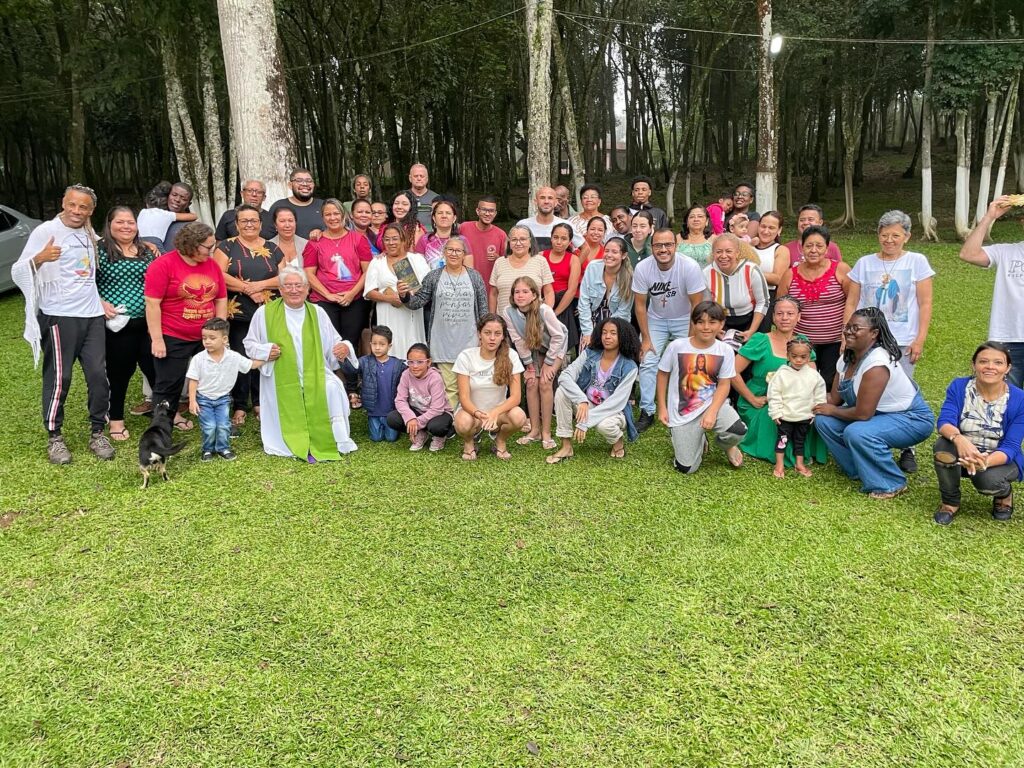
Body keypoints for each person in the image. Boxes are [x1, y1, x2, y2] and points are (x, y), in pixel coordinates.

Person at [11, 183, 115, 464]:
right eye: (72, 204)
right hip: (59, 316)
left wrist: (100, 301)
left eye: (83, 207)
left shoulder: (88, 234)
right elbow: (18, 270)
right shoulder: (46, 231)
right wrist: (40, 259)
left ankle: (97, 432)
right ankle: (55, 437)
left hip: (91, 316)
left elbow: (90, 273)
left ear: (91, 210)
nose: (76, 211)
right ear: (63, 203)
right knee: (60, 377)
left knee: (97, 375)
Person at [845, 210, 934, 473]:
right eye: (885, 235)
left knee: (899, 392)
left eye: (896, 235)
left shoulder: (917, 262)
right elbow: (852, 301)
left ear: (907, 236)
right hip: (866, 338)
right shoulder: (864, 263)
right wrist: (846, 333)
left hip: (902, 339)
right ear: (878, 235)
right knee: (866, 388)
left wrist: (919, 339)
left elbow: (925, 302)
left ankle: (907, 447)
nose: (890, 240)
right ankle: (869, 439)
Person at [812, 308, 934, 499]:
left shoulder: (877, 363)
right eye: (847, 327)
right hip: (876, 416)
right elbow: (834, 400)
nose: (849, 332)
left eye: (856, 328)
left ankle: (891, 483)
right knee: (823, 421)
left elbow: (862, 415)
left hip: (911, 419)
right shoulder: (845, 360)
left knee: (858, 431)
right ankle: (860, 469)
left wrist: (833, 410)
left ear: (874, 334)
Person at [244, 266, 358, 459]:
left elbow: (333, 344)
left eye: (299, 285)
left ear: (307, 289)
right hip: (282, 375)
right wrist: (266, 351)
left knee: (332, 387)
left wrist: (344, 347)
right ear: (280, 289)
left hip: (315, 371)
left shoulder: (317, 312)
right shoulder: (264, 313)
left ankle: (335, 438)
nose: (294, 290)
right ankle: (291, 439)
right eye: (288, 285)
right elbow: (249, 344)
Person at [212, 203, 287, 432]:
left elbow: (284, 277)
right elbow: (218, 274)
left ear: (261, 223)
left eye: (253, 220)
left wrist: (258, 286)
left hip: (268, 312)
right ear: (236, 224)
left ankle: (260, 402)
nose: (249, 224)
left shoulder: (273, 249)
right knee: (240, 356)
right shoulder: (226, 246)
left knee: (264, 355)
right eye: (244, 221)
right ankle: (240, 404)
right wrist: (247, 290)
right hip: (238, 312)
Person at [144, 222, 228, 426]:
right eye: (208, 247)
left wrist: (221, 334)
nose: (211, 251)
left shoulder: (211, 264)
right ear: (191, 244)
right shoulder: (163, 264)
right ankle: (161, 429)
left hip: (207, 335)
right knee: (169, 385)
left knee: (213, 380)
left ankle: (215, 424)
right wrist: (157, 340)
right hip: (173, 335)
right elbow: (152, 304)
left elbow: (221, 299)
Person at [731, 296, 829, 468]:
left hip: (795, 398)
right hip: (762, 397)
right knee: (777, 419)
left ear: (799, 316)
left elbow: (812, 379)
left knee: (805, 417)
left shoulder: (802, 343)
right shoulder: (761, 339)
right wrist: (752, 399)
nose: (785, 318)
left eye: (790, 313)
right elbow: (731, 372)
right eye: (780, 313)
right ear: (773, 317)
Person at [932, 341, 1024, 525]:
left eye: (998, 363)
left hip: (998, 458)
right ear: (974, 365)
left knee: (986, 481)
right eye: (983, 361)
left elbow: (1011, 447)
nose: (990, 367)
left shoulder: (1020, 399)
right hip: (963, 452)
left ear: (1008, 368)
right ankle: (949, 502)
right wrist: (960, 440)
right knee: (943, 446)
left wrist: (984, 462)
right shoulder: (959, 387)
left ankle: (1004, 495)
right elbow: (944, 421)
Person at [657, 301, 746, 473]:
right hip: (683, 412)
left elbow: (724, 384)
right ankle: (698, 438)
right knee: (686, 468)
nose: (706, 327)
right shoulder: (677, 346)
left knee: (737, 431)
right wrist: (662, 407)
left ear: (721, 324)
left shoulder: (725, 350)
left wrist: (712, 412)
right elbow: (662, 374)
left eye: (712, 322)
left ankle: (727, 446)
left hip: (712, 405)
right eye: (700, 322)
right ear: (693, 323)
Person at [95, 206, 160, 442]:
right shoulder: (98, 251)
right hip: (117, 325)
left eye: (130, 222)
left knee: (154, 368)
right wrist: (99, 301)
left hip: (148, 322)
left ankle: (165, 417)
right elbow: (85, 282)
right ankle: (116, 419)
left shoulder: (146, 250)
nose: (126, 226)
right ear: (109, 224)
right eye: (120, 222)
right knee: (119, 373)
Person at [633, 228, 707, 432]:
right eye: (658, 245)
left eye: (668, 244)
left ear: (676, 246)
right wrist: (646, 338)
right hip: (655, 319)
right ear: (652, 247)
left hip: (685, 318)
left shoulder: (689, 267)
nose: (663, 249)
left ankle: (688, 407)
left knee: (689, 361)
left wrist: (692, 338)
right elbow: (640, 305)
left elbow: (696, 306)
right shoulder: (643, 268)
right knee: (647, 361)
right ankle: (647, 410)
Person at [401, 237, 489, 407]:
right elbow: (417, 302)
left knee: (470, 384)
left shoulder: (474, 277)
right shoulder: (433, 277)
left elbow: (483, 309)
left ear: (464, 254)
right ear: (444, 252)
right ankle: (454, 422)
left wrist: (483, 336)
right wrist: (404, 295)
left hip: (469, 340)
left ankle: (471, 420)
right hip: (442, 341)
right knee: (449, 387)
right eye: (450, 250)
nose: (454, 254)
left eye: (458, 251)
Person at [547, 317, 640, 463]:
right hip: (587, 404)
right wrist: (582, 399)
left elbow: (617, 403)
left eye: (613, 333)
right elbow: (564, 376)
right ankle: (566, 446)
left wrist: (585, 422)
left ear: (623, 336)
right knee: (562, 392)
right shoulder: (589, 354)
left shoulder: (630, 367)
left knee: (605, 426)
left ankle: (618, 440)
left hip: (614, 411)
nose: (607, 336)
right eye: (604, 332)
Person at [958, 195, 1024, 388]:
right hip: (1007, 339)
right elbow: (968, 254)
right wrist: (989, 216)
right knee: (1003, 399)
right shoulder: (1006, 252)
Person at [777, 225, 850, 389]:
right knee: (803, 383)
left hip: (836, 340)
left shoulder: (841, 269)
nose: (814, 250)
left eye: (819, 246)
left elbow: (853, 301)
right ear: (802, 248)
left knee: (830, 383)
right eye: (809, 246)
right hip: (801, 342)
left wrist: (847, 333)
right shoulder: (790, 274)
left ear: (827, 248)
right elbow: (781, 305)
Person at [186, 318, 266, 461]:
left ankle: (223, 448)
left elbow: (251, 365)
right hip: (204, 399)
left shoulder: (233, 357)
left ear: (224, 339)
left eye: (212, 338)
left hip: (223, 399)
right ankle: (207, 449)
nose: (207, 341)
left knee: (223, 425)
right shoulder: (199, 359)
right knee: (209, 426)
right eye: (204, 338)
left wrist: (268, 358)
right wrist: (192, 401)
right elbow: (193, 380)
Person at [303, 198, 373, 358]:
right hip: (324, 300)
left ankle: (351, 381)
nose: (333, 218)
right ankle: (331, 380)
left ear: (344, 215)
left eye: (336, 213)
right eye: (328, 214)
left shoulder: (358, 239)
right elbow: (309, 274)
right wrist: (328, 295)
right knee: (328, 344)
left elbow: (367, 271)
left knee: (350, 343)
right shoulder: (315, 243)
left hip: (353, 300)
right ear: (322, 218)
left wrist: (351, 293)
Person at [504, 276, 568, 450]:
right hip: (533, 348)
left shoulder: (544, 310)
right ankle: (534, 430)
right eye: (517, 292)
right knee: (531, 383)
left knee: (545, 383)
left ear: (534, 295)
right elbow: (518, 339)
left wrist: (549, 362)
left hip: (555, 347)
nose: (520, 295)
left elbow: (558, 336)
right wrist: (529, 366)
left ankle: (546, 433)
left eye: (525, 291)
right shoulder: (508, 312)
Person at [452, 314, 528, 461]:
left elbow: (516, 397)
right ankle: (469, 442)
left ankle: (500, 440)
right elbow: (464, 398)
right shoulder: (466, 356)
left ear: (502, 336)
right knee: (462, 422)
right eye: (487, 333)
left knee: (519, 416)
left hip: (499, 414)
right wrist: (479, 414)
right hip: (473, 413)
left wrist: (495, 412)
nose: (492, 338)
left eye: (497, 333)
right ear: (479, 334)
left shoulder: (510, 355)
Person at [364, 222, 430, 359]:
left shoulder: (416, 259)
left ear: (403, 239)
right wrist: (390, 298)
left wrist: (406, 296)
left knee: (412, 348)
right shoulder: (377, 262)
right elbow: (369, 291)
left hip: (411, 315)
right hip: (388, 315)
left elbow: (427, 288)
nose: (391, 243)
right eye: (387, 239)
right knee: (390, 349)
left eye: (395, 239)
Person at [766, 337, 827, 478]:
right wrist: (775, 413)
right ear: (788, 355)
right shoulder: (781, 374)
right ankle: (779, 464)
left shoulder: (814, 376)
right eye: (794, 356)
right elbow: (774, 394)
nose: (798, 360)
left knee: (800, 440)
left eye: (803, 357)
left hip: (804, 416)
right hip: (785, 416)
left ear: (809, 357)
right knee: (782, 440)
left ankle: (799, 463)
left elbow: (819, 395)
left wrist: (815, 413)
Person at [385, 342, 455, 452]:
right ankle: (421, 433)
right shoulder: (406, 374)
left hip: (440, 413)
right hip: (418, 411)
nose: (415, 366)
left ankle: (440, 436)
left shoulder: (435, 378)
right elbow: (400, 400)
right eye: (411, 362)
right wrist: (410, 418)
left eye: (420, 362)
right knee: (392, 418)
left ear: (429, 362)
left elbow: (437, 409)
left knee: (437, 427)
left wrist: (416, 423)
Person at [341, 325, 404, 442]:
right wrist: (343, 359)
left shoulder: (397, 364)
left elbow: (410, 376)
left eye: (381, 344)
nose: (377, 347)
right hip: (373, 411)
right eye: (374, 344)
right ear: (370, 344)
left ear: (389, 346)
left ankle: (396, 426)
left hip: (391, 411)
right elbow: (352, 369)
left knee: (391, 438)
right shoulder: (365, 361)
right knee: (376, 438)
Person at [704, 233, 769, 341]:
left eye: (728, 251)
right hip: (720, 322)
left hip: (751, 320)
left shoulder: (752, 270)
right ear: (713, 253)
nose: (723, 256)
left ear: (737, 253)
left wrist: (752, 331)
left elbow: (763, 301)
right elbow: (706, 305)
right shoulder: (706, 273)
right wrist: (715, 328)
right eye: (719, 252)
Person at [578, 237, 634, 349]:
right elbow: (584, 302)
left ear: (623, 255)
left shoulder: (630, 277)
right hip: (592, 319)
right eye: (606, 250)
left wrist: (605, 333)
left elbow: (623, 312)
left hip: (617, 323)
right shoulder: (592, 267)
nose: (609, 255)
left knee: (611, 355)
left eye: (614, 252)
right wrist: (588, 332)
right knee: (587, 354)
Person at [489, 225, 555, 315]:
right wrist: (492, 318)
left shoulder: (540, 261)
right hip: (503, 322)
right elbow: (493, 294)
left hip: (534, 321)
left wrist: (546, 314)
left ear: (530, 242)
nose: (518, 243)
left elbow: (548, 292)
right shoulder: (499, 262)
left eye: (523, 239)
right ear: (509, 243)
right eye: (514, 240)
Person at [543, 222, 583, 351]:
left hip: (564, 303)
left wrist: (555, 313)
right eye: (556, 237)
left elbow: (571, 290)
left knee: (562, 343)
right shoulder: (541, 256)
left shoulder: (573, 259)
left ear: (570, 241)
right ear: (551, 238)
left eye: (564, 238)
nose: (559, 242)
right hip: (544, 302)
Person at [458, 195, 506, 289]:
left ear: (495, 213)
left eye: (491, 211)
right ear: (477, 211)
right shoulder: (464, 228)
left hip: (489, 286)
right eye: (484, 210)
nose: (488, 214)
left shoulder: (501, 235)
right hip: (464, 285)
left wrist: (498, 258)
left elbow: (507, 263)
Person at [516, 186, 583, 251]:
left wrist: (575, 262)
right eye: (542, 198)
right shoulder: (523, 225)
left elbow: (585, 248)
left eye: (550, 198)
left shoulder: (565, 225)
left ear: (555, 202)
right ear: (535, 201)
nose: (546, 201)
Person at [138, 181, 196, 251]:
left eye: (183, 199)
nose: (177, 200)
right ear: (168, 195)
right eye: (174, 195)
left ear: (188, 204)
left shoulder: (191, 227)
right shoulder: (157, 217)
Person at [269, 169, 324, 239]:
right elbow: (269, 236)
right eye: (299, 181)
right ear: (290, 185)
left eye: (309, 181)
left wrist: (322, 233)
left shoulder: (323, 205)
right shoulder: (278, 206)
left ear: (313, 184)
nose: (305, 184)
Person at [415, 198, 458, 269]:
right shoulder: (424, 240)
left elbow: (468, 271)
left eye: (448, 213)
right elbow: (418, 268)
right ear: (434, 218)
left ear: (454, 218)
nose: (444, 216)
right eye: (440, 213)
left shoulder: (462, 240)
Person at [751, 211, 791, 289]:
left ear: (779, 230)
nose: (766, 231)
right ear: (758, 226)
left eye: (771, 228)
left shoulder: (781, 250)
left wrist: (748, 272)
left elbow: (778, 279)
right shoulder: (749, 246)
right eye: (763, 226)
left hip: (768, 295)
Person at [268, 205, 308, 270]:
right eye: (282, 221)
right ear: (275, 225)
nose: (287, 225)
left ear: (295, 223)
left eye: (290, 220)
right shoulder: (268, 246)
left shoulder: (306, 244)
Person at [408, 163, 438, 231]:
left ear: (427, 179)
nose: (419, 178)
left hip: (430, 236)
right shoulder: (402, 197)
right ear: (410, 178)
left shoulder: (436, 198)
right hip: (406, 235)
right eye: (416, 176)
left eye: (422, 176)